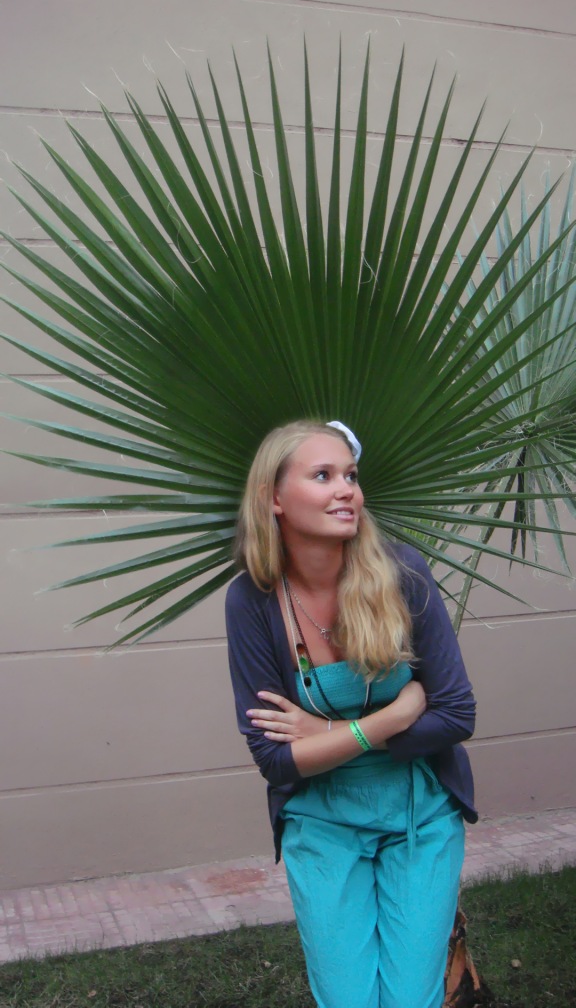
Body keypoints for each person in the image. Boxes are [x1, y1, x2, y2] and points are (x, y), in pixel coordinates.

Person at [225, 420, 477, 1008]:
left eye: (351, 476)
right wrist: (388, 719)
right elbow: (275, 760)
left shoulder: (402, 572)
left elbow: (456, 714)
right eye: (323, 475)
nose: (347, 490)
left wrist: (326, 735)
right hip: (321, 823)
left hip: (419, 815)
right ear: (273, 498)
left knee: (411, 999)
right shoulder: (253, 599)